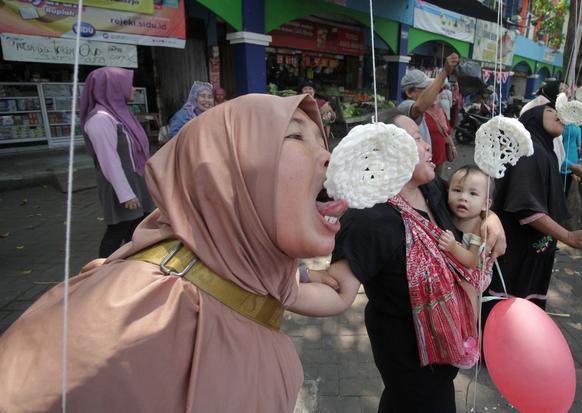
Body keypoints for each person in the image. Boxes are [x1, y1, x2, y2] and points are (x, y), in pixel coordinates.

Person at [0, 94, 356, 412]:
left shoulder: (247, 277)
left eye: (321, 139)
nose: (329, 155)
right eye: (294, 136)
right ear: (225, 176)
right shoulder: (127, 316)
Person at [304, 109, 506, 412]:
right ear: (391, 150)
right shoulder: (370, 218)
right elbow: (337, 291)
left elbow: (475, 203)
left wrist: (493, 221)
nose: (427, 146)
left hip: (443, 351)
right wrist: (286, 284)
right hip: (410, 356)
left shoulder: (432, 187)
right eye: (417, 139)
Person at [485, 105, 582, 312]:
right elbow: (526, 207)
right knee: (508, 311)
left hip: (532, 253)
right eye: (550, 110)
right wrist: (568, 236)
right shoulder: (530, 151)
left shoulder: (543, 149)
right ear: (532, 117)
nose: (558, 113)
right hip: (516, 254)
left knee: (522, 310)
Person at [79, 67, 155, 257]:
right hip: (121, 186)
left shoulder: (120, 113)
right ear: (112, 87)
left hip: (136, 181)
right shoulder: (100, 119)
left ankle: (129, 269)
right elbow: (108, 160)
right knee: (118, 231)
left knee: (137, 229)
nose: (134, 88)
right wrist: (126, 194)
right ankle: (102, 271)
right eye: (129, 84)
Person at [439, 165, 494, 319]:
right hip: (456, 267)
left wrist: (452, 247)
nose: (463, 197)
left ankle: (472, 333)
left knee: (468, 294)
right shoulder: (446, 213)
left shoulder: (478, 225)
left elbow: (472, 261)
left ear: (485, 204)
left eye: (473, 194)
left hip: (476, 273)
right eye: (457, 190)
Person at [398, 53, 459, 155]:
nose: (430, 92)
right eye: (424, 89)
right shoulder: (405, 106)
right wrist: (444, 72)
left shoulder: (429, 108)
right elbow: (419, 107)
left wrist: (449, 141)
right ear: (409, 92)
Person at [424, 100, 457, 176]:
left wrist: (452, 146)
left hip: (440, 154)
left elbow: (447, 132)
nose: (434, 98)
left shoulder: (440, 111)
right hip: (426, 155)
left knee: (438, 179)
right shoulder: (420, 113)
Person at [560, 123, 582, 195]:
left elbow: (578, 147)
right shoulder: (576, 127)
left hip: (569, 166)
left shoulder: (574, 127)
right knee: (563, 193)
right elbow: (578, 147)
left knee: (562, 193)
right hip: (568, 165)